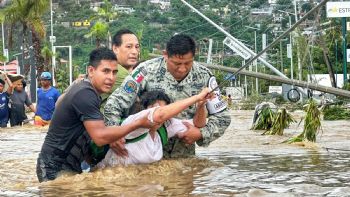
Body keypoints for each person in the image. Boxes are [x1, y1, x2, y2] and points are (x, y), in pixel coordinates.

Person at [104, 34, 231, 158]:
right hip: (144, 154)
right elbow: (115, 103)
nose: (182, 69)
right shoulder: (145, 70)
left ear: (194, 55)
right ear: (165, 55)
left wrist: (201, 133)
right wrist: (113, 133)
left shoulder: (205, 76)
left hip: (184, 156)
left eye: (187, 63)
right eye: (176, 63)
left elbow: (223, 117)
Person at [36, 47, 153, 182]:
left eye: (114, 72)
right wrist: (138, 124)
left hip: (66, 166)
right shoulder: (86, 93)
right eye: (105, 71)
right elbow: (100, 137)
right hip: (53, 168)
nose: (111, 78)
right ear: (91, 71)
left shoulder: (86, 90)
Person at [98, 89, 209, 167]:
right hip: (113, 179)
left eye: (163, 108)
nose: (159, 111)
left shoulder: (166, 127)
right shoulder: (135, 121)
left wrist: (201, 105)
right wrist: (197, 97)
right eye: (153, 108)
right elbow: (159, 115)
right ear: (144, 109)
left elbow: (198, 125)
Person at [100, 29, 140, 105]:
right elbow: (141, 98)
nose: (134, 52)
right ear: (115, 48)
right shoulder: (118, 73)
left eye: (137, 47)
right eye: (129, 46)